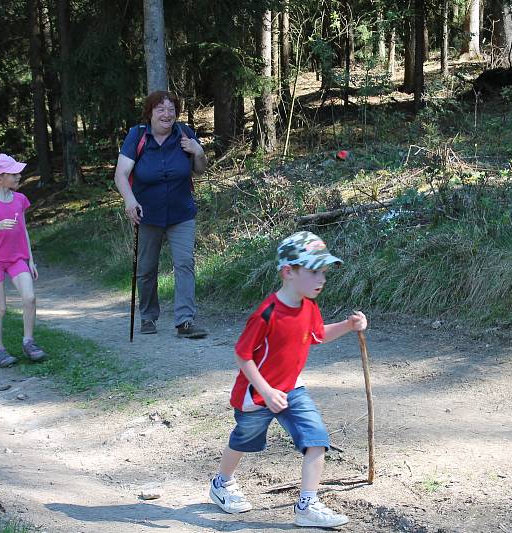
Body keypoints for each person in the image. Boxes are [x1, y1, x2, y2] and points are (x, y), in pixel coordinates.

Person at [208, 231, 368, 528]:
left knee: (316, 439)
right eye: (313, 271)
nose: (321, 278)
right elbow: (243, 355)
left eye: (324, 272)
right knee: (243, 441)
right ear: (288, 272)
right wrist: (266, 391)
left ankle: (307, 505)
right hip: (257, 394)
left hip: (291, 389)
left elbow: (318, 336)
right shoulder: (266, 314)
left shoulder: (309, 306)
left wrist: (348, 325)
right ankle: (221, 483)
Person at [114, 91, 208, 339]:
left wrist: (198, 151)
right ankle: (147, 316)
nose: (167, 114)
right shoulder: (137, 136)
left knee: (185, 263)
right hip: (147, 214)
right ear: (150, 113)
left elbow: (199, 170)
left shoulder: (185, 134)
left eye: (171, 110)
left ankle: (185, 321)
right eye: (160, 109)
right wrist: (130, 200)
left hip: (181, 212)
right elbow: (121, 174)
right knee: (146, 269)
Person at [0, 154, 47, 368]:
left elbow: (23, 230)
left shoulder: (19, 199)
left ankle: (28, 342)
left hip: (17, 259)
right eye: (13, 174)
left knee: (30, 297)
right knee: (1, 309)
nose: (19, 176)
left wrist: (30, 260)